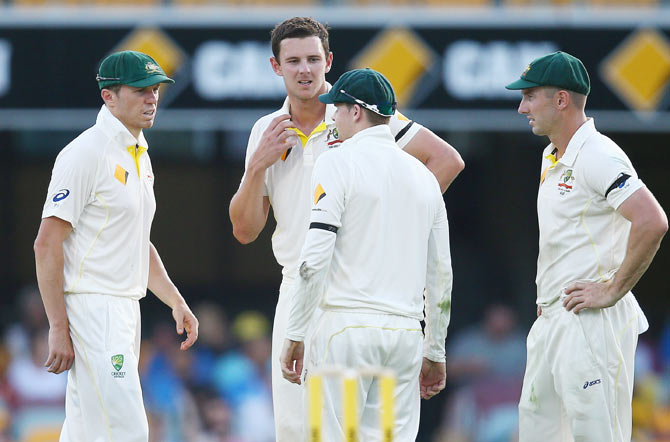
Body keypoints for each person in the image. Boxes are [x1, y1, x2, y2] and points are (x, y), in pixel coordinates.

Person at [228, 16, 464, 441]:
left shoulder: (357, 110)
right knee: (296, 427)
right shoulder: (265, 131)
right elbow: (245, 231)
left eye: (314, 59)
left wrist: (387, 224)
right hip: (299, 283)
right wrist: (256, 166)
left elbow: (446, 160)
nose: (305, 70)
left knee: (346, 432)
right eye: (294, 60)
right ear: (276, 66)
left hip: (356, 290)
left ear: (328, 60)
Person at [33, 50, 199, 442]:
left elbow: (137, 241)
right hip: (95, 308)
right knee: (127, 430)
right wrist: (58, 326)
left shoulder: (139, 154)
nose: (152, 98)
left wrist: (175, 300)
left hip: (123, 307)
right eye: (140, 90)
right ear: (109, 96)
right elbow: (46, 243)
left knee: (86, 431)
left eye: (155, 89)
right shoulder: (86, 153)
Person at [279, 68, 452, 441]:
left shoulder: (337, 161)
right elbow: (441, 274)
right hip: (404, 336)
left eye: (336, 110)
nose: (333, 119)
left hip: (345, 332)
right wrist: (434, 349)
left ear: (355, 111)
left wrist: (295, 331)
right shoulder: (423, 177)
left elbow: (314, 260)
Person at [505, 51, 667, 442]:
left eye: (530, 96)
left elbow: (653, 221)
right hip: (552, 321)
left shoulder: (598, 154)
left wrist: (612, 290)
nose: (521, 106)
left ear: (561, 100)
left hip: (590, 322)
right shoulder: (553, 154)